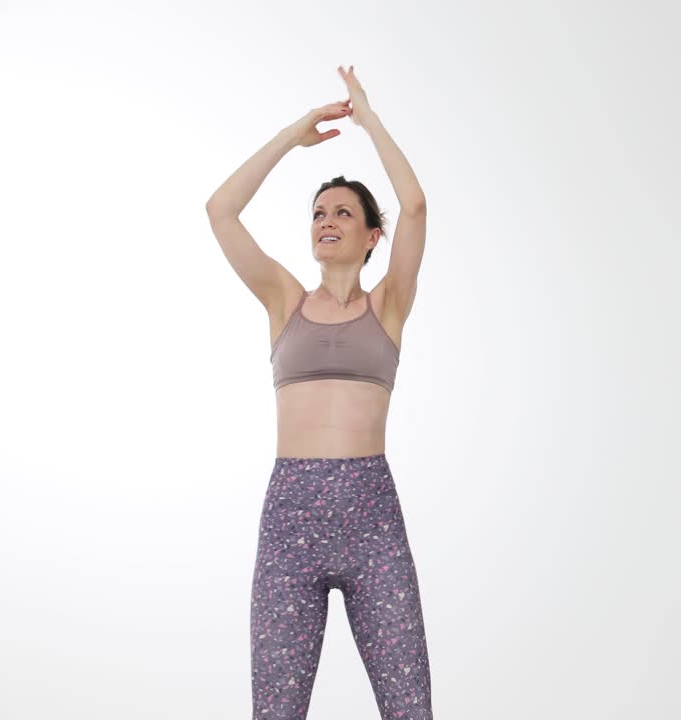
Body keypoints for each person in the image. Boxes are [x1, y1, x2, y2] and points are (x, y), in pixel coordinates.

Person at [205, 66, 432, 720]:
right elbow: (220, 210)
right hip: (290, 516)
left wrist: (367, 118)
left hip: (371, 516)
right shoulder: (284, 301)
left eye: (342, 213)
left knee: (409, 708)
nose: (325, 221)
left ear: (370, 236)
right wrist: (289, 137)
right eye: (317, 214)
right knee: (275, 712)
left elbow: (414, 205)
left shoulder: (388, 305)